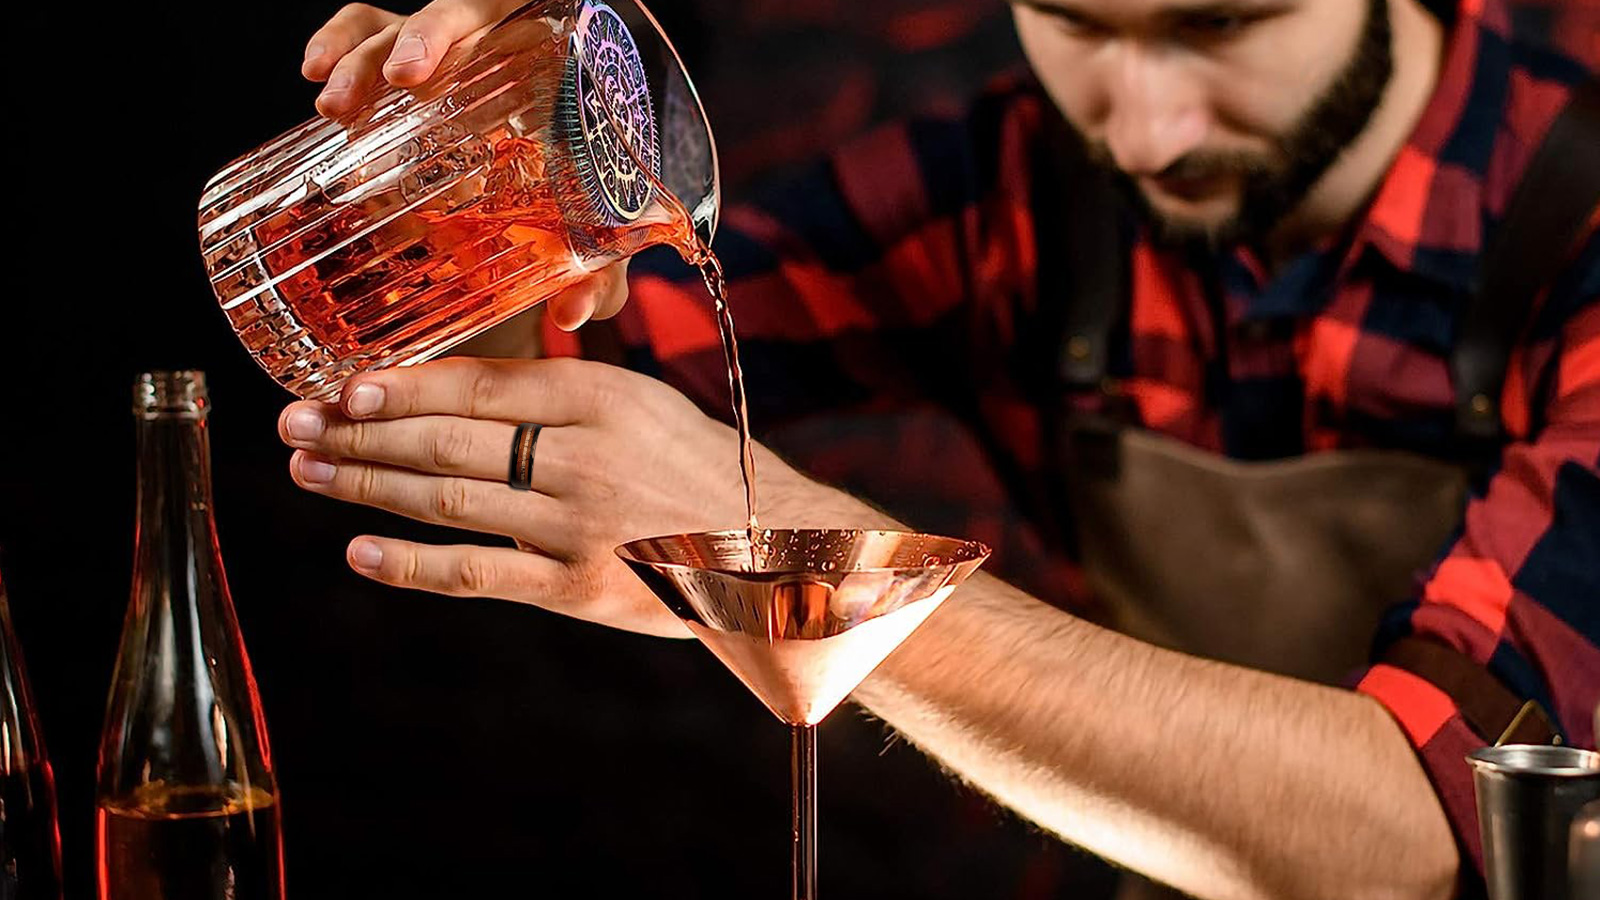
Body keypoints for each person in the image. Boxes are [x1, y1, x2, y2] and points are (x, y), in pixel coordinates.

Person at [276, 1, 1598, 898]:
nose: (1143, 131)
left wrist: (825, 572)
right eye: (1076, 24)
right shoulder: (1020, 187)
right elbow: (572, 396)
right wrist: (481, 198)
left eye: (1222, 24)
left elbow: (1435, 835)